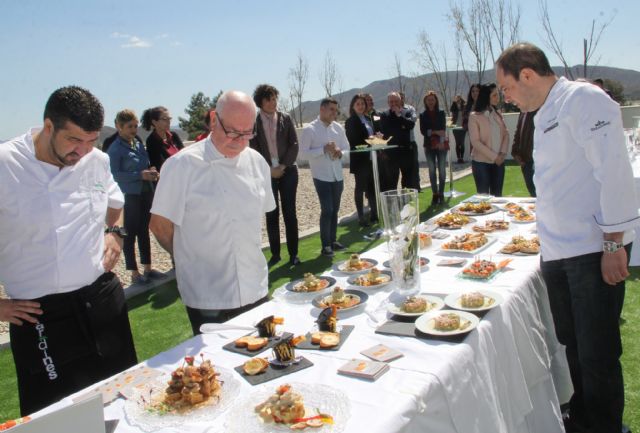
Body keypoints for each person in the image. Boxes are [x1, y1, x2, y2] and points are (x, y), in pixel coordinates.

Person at [496, 42, 640, 433]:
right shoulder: (541, 114)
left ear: (527, 74)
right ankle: (584, 417)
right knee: (573, 345)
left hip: (592, 249)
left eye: (506, 87)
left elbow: (614, 172)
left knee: (598, 352)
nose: (505, 97)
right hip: (558, 252)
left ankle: (607, 426)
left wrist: (613, 244)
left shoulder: (583, 100)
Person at [0, 86, 137, 416]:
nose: (83, 151)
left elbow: (115, 201)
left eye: (91, 140)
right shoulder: (6, 165)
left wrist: (115, 233)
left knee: (125, 404)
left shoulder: (97, 160)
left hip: (101, 299)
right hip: (39, 314)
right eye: (74, 141)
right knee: (56, 419)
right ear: (49, 127)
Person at [149, 91, 274, 336]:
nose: (240, 141)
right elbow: (159, 225)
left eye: (247, 133)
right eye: (233, 132)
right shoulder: (181, 166)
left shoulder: (257, 162)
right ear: (214, 120)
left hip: (255, 287)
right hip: (208, 297)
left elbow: (256, 219)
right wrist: (190, 258)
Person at [107, 109, 162, 284]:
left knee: (144, 230)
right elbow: (114, 175)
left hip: (145, 192)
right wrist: (139, 175)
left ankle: (147, 267)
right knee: (129, 234)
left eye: (135, 126)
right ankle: (134, 272)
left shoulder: (137, 144)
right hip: (129, 196)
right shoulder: (115, 149)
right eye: (129, 126)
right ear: (119, 127)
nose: (133, 129)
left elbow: (144, 164)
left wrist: (151, 172)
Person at [250, 84, 300, 266]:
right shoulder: (254, 122)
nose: (273, 102)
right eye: (268, 99)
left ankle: (294, 254)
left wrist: (284, 166)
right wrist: (268, 170)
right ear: (260, 102)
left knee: (290, 213)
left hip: (288, 171)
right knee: (271, 213)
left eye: (274, 98)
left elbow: (294, 144)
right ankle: (275, 254)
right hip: (266, 173)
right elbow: (253, 149)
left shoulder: (285, 119)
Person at [299, 98, 349, 257]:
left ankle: (333, 240)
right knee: (327, 210)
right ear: (322, 109)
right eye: (331, 110)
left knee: (335, 210)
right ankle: (325, 245)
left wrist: (341, 152)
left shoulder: (338, 128)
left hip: (337, 175)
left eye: (336, 110)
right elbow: (302, 154)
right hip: (321, 176)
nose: (335, 113)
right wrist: (323, 149)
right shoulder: (310, 129)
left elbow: (347, 149)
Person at [468, 83, 509, 197]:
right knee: (483, 199)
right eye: (495, 95)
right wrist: (494, 157)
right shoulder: (474, 117)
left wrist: (502, 154)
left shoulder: (498, 114)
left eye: (498, 94)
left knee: (498, 197)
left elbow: (506, 134)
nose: (498, 97)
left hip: (499, 163)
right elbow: (475, 142)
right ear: (487, 97)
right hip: (481, 164)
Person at [345, 93, 378, 227]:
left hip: (372, 158)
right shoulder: (351, 121)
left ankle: (374, 214)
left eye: (362, 104)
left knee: (372, 187)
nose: (360, 106)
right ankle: (361, 217)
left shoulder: (367, 118)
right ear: (353, 106)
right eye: (358, 104)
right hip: (360, 159)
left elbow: (372, 134)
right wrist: (371, 140)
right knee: (360, 188)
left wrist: (377, 137)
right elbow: (354, 140)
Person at [379, 92, 418, 191]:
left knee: (408, 182)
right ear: (388, 102)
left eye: (396, 101)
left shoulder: (407, 112)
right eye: (391, 101)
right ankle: (392, 205)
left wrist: (399, 115)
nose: (394, 104)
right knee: (391, 183)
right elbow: (385, 132)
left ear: (400, 101)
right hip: (391, 153)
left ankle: (408, 205)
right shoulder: (384, 115)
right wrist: (402, 125)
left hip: (406, 152)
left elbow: (410, 125)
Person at [419, 91, 448, 205]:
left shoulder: (441, 113)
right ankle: (435, 194)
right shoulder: (423, 115)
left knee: (441, 169)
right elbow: (423, 131)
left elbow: (443, 130)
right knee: (431, 170)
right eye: (428, 100)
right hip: (428, 145)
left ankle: (441, 193)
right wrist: (435, 132)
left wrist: (433, 132)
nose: (431, 102)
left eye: (432, 99)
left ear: (436, 101)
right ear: (425, 101)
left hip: (441, 145)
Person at [142, 106, 184, 172]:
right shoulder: (151, 141)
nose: (168, 122)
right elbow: (159, 165)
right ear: (154, 122)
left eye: (169, 119)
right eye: (164, 119)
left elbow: (184, 153)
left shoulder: (174, 135)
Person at [510, 108, 538, 197]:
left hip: (535, 161)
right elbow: (518, 131)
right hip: (525, 161)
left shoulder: (539, 110)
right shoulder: (523, 111)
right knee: (532, 192)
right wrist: (515, 152)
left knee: (538, 193)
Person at [399, 92, 421, 191]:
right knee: (404, 169)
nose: (401, 100)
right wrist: (404, 123)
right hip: (399, 145)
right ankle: (405, 189)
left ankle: (417, 187)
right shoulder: (391, 111)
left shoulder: (410, 109)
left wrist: (402, 122)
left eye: (402, 98)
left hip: (411, 142)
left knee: (414, 166)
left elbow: (413, 120)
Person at [462, 83, 480, 154]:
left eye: (477, 91)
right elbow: (464, 123)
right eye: (473, 91)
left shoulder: (486, 105)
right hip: (473, 137)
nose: (475, 93)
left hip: (486, 137)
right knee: (475, 158)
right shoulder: (467, 107)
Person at [449, 94, 466, 163]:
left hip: (463, 127)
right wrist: (454, 102)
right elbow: (451, 110)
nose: (458, 100)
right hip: (455, 128)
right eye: (457, 99)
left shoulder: (464, 106)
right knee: (457, 143)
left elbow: (466, 111)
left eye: (459, 99)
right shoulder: (454, 106)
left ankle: (462, 157)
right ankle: (458, 158)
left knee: (462, 143)